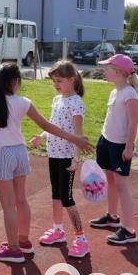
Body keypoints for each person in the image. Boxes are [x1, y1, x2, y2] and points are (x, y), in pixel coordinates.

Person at [0, 63, 93, 263]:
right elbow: (46, 125)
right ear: (16, 82)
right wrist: (75, 139)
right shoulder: (24, 102)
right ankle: (24, 242)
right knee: (21, 200)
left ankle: (13, 250)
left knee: (8, 205)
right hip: (20, 153)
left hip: (0, 154)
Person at [29, 60, 90, 257]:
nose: (56, 84)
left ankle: (81, 238)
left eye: (59, 80)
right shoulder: (57, 100)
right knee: (56, 194)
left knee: (67, 197)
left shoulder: (76, 103)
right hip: (53, 153)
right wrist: (42, 136)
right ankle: (58, 230)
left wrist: (76, 159)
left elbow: (79, 135)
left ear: (72, 79)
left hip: (67, 157)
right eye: (54, 81)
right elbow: (53, 125)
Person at [88, 54, 138, 245]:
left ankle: (128, 230)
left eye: (108, 68)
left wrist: (129, 147)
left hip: (120, 145)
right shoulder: (114, 92)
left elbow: (133, 123)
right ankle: (112, 216)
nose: (105, 71)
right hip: (107, 141)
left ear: (119, 72)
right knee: (110, 180)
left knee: (121, 186)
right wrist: (102, 140)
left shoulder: (130, 93)